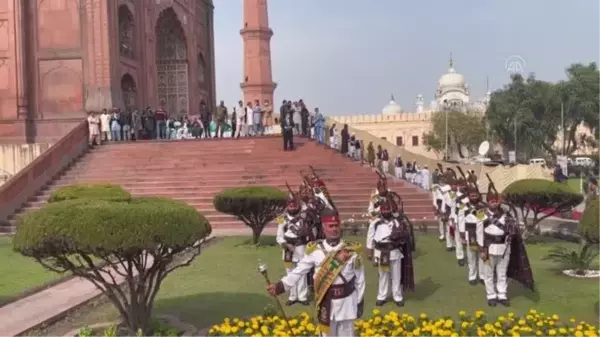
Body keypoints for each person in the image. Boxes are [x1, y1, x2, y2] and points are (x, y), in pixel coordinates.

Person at [267, 207, 365, 337]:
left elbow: (360, 280)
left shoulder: (351, 251)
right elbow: (298, 271)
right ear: (324, 228)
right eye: (331, 226)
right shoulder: (315, 250)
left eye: (336, 225)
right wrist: (280, 286)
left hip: (347, 304)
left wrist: (358, 302)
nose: (334, 229)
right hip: (325, 303)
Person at [478, 184, 535, 307]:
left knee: (502, 272)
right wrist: (481, 248)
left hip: (504, 248)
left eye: (496, 201)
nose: (494, 203)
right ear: (487, 202)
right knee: (488, 273)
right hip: (487, 247)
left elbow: (512, 230)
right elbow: (478, 231)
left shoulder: (506, 214)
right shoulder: (481, 213)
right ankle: (491, 295)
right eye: (492, 201)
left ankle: (502, 294)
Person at [366, 199, 414, 307]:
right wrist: (369, 251)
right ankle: (381, 296)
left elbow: (404, 235)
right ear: (381, 211)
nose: (386, 212)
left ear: (390, 210)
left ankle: (397, 296)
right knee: (383, 275)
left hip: (394, 252)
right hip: (381, 251)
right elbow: (370, 236)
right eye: (384, 210)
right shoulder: (375, 222)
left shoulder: (397, 221)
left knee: (396, 275)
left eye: (388, 210)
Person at [276, 193, 311, 306]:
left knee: (302, 271)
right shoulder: (282, 219)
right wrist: (286, 245)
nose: (292, 207)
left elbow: (307, 207)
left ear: (297, 205)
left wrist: (301, 199)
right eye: (290, 205)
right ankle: (292, 296)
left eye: (294, 205)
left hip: (300, 246)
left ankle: (302, 296)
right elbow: (279, 237)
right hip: (288, 249)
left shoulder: (303, 216)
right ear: (287, 206)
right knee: (289, 273)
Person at [461, 184, 486, 285]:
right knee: (471, 256)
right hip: (470, 232)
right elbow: (460, 218)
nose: (474, 197)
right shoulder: (464, 205)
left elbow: (482, 220)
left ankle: (482, 276)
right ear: (469, 196)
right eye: (472, 195)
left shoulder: (482, 205)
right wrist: (462, 234)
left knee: (482, 255)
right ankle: (472, 276)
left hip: (481, 232)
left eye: (476, 195)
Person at [440, 170, 458, 251]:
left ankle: (454, 244)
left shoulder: (458, 194)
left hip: (456, 215)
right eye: (453, 185)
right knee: (448, 230)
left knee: (455, 230)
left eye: (455, 185)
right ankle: (449, 245)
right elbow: (444, 204)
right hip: (448, 214)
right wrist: (443, 213)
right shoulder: (446, 194)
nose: (454, 186)